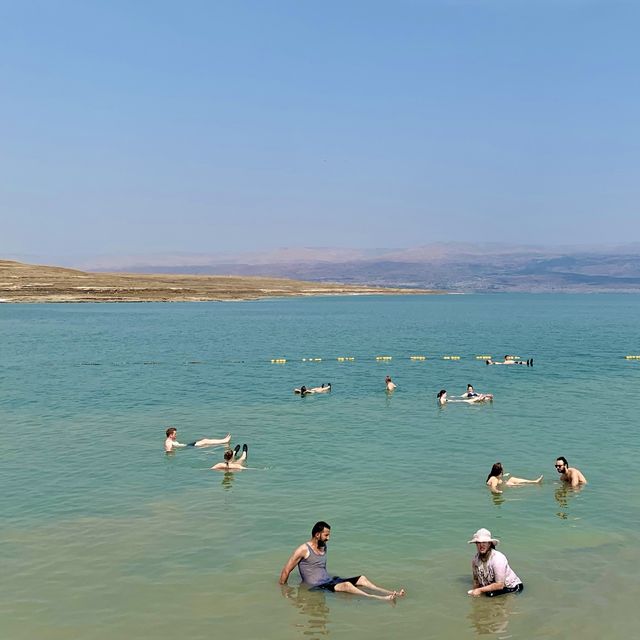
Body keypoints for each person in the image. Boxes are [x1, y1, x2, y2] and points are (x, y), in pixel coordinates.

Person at [279, 521, 406, 601]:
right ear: (317, 535)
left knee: (362, 578)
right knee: (347, 585)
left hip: (329, 581)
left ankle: (390, 592)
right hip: (317, 587)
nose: (328, 538)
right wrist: (283, 591)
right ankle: (380, 598)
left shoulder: (323, 546)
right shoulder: (303, 549)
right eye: (326, 535)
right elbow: (286, 570)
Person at [468, 528, 523, 597]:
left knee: (490, 595)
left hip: (513, 587)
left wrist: (480, 590)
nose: (481, 545)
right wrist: (475, 591)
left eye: (484, 542)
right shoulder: (475, 560)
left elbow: (500, 585)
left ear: (489, 544)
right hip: (496, 586)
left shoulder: (498, 558)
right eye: (479, 543)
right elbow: (476, 580)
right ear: (476, 544)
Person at [164, 427, 231, 452]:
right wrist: (169, 452)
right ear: (170, 435)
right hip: (187, 447)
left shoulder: (170, 440)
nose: (176, 435)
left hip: (187, 446)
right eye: (175, 434)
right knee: (205, 441)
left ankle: (223, 441)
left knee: (205, 442)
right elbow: (168, 450)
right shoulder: (168, 442)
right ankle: (224, 441)